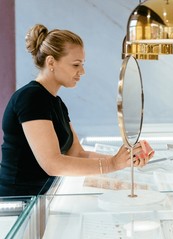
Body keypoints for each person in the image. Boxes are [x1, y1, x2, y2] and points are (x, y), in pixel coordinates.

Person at [0, 24, 154, 196]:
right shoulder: (31, 98)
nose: (82, 71)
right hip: (18, 203)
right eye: (76, 65)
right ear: (51, 62)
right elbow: (53, 164)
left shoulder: (56, 103)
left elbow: (78, 153)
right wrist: (111, 164)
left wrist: (125, 160)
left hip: (41, 198)